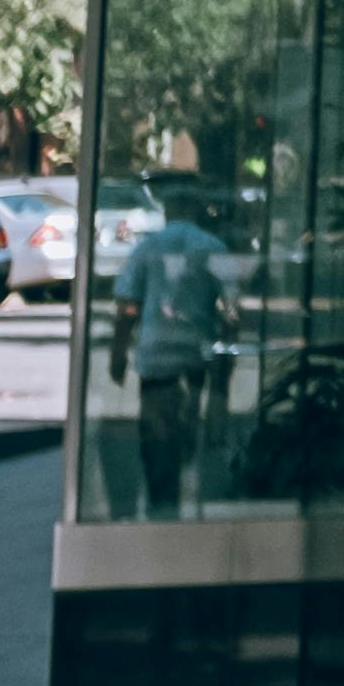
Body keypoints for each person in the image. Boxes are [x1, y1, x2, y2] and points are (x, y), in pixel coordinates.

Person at [102, 195, 242, 516]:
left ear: (167, 212)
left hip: (156, 355)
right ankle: (187, 489)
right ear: (196, 210)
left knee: (156, 434)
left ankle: (162, 502)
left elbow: (128, 307)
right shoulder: (213, 247)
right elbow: (231, 310)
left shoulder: (147, 249)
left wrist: (118, 352)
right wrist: (224, 371)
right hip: (195, 353)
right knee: (188, 422)